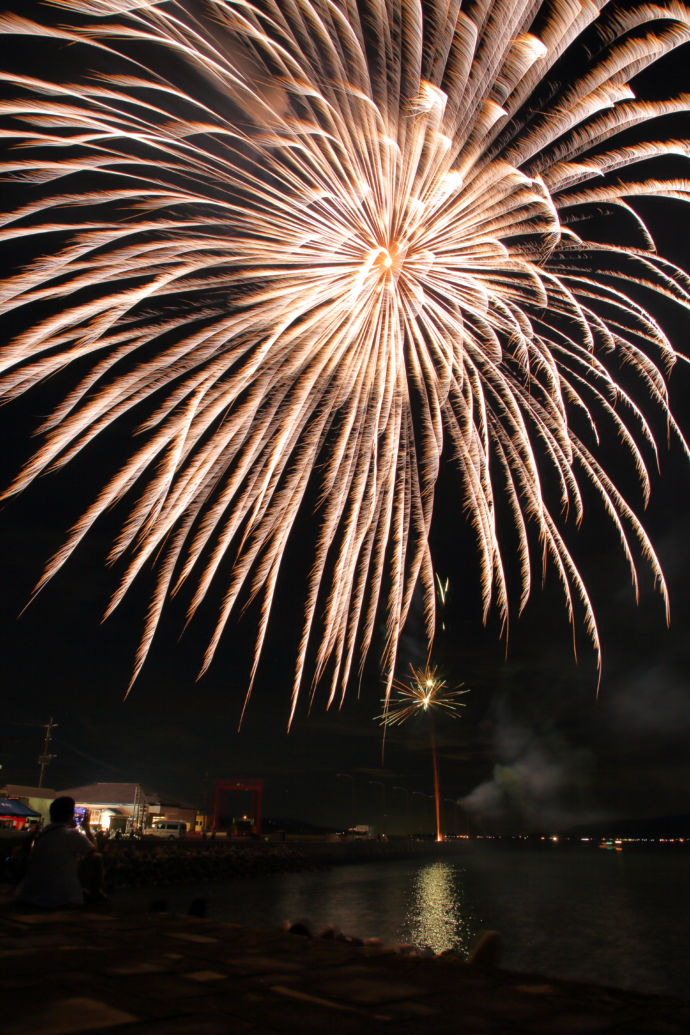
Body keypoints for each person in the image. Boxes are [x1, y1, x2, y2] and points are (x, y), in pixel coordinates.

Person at [15, 796, 106, 909]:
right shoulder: (71, 834)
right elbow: (93, 849)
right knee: (96, 857)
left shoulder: (43, 834)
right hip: (61, 898)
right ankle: (96, 892)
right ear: (70, 815)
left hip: (30, 895)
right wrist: (86, 828)